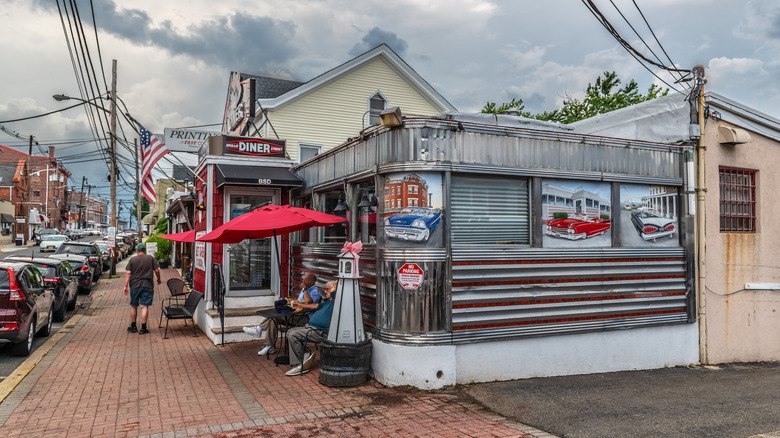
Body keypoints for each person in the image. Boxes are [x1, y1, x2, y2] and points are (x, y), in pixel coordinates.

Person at [243, 272, 321, 355]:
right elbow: (300, 303)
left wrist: (305, 289)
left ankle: (259, 329)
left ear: (312, 282)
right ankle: (269, 346)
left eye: (306, 280)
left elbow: (309, 301)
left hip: (304, 318)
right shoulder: (305, 288)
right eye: (304, 279)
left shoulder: (315, 290)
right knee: (273, 320)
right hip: (295, 315)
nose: (303, 281)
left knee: (276, 315)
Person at [285, 280, 338, 376]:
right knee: (289, 332)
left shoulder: (336, 300)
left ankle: (302, 363)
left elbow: (335, 287)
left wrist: (338, 279)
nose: (325, 292)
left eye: (327, 290)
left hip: (320, 332)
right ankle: (302, 358)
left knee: (293, 335)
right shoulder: (328, 302)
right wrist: (301, 305)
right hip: (312, 328)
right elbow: (316, 305)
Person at [123, 242, 161, 334]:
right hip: (147, 284)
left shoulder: (132, 259)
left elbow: (128, 273)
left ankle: (133, 326)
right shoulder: (150, 258)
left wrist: (125, 286)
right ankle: (143, 328)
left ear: (137, 250)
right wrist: (158, 279)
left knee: (134, 305)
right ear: (144, 250)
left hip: (135, 285)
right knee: (144, 306)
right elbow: (156, 270)